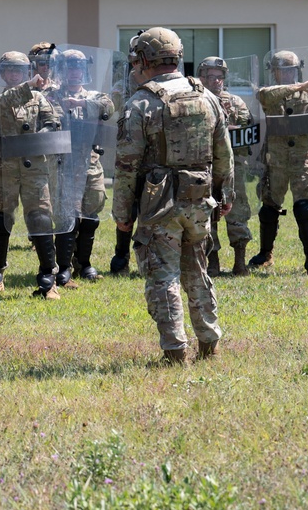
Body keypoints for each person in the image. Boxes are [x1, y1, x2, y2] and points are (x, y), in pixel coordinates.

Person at [112, 27, 234, 364]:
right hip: (200, 199)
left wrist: (122, 213)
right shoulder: (206, 96)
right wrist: (226, 195)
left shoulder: (140, 102)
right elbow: (223, 154)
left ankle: (175, 350)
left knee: (163, 275)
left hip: (158, 205)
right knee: (197, 270)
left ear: (146, 60)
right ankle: (209, 342)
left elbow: (126, 166)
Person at [248, 50, 308, 275]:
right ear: (274, 73)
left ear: (297, 70)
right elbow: (264, 97)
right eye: (282, 71)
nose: (287, 75)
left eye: (291, 71)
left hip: (301, 160)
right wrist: (298, 87)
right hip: (275, 160)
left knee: (304, 209)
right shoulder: (271, 92)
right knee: (268, 209)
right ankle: (265, 253)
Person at [0, 51, 62, 299]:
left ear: (27, 72)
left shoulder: (39, 99)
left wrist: (44, 132)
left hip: (34, 168)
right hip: (3, 168)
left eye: (19, 70)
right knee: (0, 219)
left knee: (40, 219)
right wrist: (27, 86)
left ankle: (48, 278)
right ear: (2, 73)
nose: (14, 74)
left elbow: (54, 122)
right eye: (9, 70)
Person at [44, 49, 114, 287]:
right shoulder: (50, 95)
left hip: (90, 164)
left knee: (91, 213)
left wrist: (81, 102)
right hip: (63, 164)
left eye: (78, 68)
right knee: (66, 216)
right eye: (69, 67)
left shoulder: (94, 95)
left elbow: (108, 106)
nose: (74, 72)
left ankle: (83, 263)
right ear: (62, 70)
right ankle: (63, 268)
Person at [197, 56, 254, 277]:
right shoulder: (196, 101)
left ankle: (240, 261)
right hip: (205, 167)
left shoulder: (236, 102)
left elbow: (246, 126)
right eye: (211, 77)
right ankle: (213, 261)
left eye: (220, 77)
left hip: (234, 167)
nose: (216, 82)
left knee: (237, 212)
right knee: (209, 212)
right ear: (201, 78)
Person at [109, 33, 146, 275]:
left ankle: (147, 256)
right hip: (130, 154)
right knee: (125, 207)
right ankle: (121, 256)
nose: (137, 64)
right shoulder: (123, 85)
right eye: (134, 59)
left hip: (157, 154)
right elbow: (112, 109)